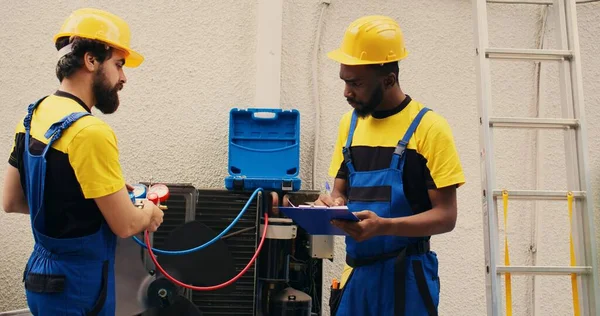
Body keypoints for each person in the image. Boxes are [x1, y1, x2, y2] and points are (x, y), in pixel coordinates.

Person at [1, 8, 164, 315]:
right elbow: (126, 224)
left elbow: (13, 200)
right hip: (80, 287)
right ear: (91, 60)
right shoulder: (90, 132)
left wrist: (96, 197)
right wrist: (148, 212)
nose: (124, 77)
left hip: (40, 280)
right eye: (118, 64)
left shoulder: (32, 117)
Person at [320, 15, 465, 316]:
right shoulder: (349, 126)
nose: (347, 92)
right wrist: (330, 205)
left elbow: (446, 216)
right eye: (345, 81)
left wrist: (384, 227)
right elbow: (339, 192)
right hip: (357, 280)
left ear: (388, 79)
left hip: (408, 280)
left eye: (356, 83)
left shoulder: (429, 128)